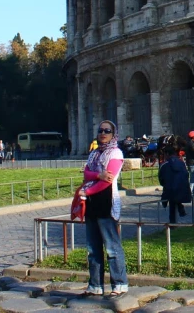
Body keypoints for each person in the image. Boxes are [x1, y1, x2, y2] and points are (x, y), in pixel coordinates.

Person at [79, 119, 128, 297]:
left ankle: (120, 284)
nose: (103, 133)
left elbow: (108, 180)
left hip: (106, 203)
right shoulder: (94, 153)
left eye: (107, 131)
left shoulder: (115, 153)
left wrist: (88, 190)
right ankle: (95, 285)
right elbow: (86, 174)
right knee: (92, 249)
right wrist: (98, 174)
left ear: (113, 134)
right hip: (92, 204)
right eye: (100, 130)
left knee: (112, 248)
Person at [159, 146, 193, 222]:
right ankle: (180, 207)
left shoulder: (164, 165)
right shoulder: (181, 163)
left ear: (167, 154)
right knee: (174, 193)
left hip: (170, 190)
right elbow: (186, 175)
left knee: (171, 196)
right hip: (183, 189)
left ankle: (172, 224)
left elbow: (161, 180)